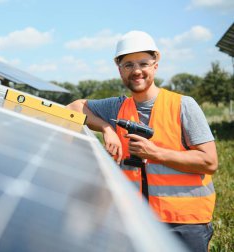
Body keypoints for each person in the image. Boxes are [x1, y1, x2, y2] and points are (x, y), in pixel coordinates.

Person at [67, 30, 218, 252]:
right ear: (119, 71)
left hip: (185, 223)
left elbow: (209, 162)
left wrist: (155, 153)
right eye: (128, 65)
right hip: (138, 221)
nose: (136, 71)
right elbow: (74, 107)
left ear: (155, 65)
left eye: (143, 63)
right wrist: (107, 128)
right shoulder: (117, 107)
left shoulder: (183, 106)